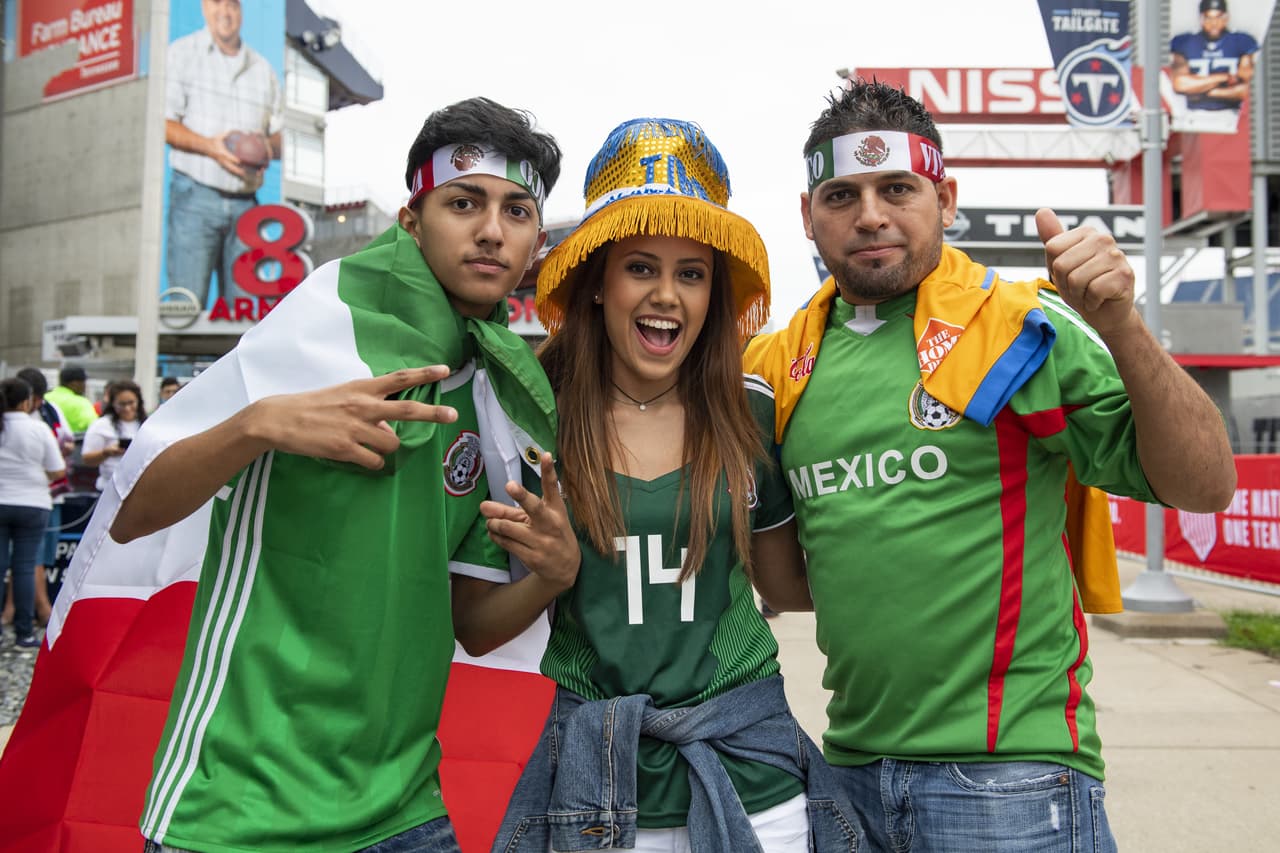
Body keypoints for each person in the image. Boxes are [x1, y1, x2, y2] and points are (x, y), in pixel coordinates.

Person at [742, 80, 1237, 852]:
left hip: (1011, 780)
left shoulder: (1017, 325)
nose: (870, 214)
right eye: (842, 194)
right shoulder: (776, 365)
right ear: (808, 215)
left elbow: (1205, 484)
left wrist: (1121, 324)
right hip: (849, 777)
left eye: (896, 188)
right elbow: (795, 581)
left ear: (945, 197)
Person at [104, 96, 561, 853]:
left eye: (516, 211)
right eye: (463, 202)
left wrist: (551, 572)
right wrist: (259, 424)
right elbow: (134, 508)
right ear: (412, 220)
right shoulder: (319, 324)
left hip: (408, 808)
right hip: (242, 811)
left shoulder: (499, 390)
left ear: (536, 241)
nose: (490, 230)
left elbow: (472, 625)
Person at [451, 118, 862, 852]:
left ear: (713, 296)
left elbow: (790, 586)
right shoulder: (525, 416)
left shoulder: (753, 409)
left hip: (755, 785)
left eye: (691, 273)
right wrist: (553, 576)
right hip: (593, 792)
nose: (666, 294)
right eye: (641, 267)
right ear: (598, 284)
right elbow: (477, 628)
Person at [165, 0, 284, 310]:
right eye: (217, 3)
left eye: (232, 4)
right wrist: (211, 147)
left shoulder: (262, 69)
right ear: (205, 7)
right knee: (184, 310)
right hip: (195, 197)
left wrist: (264, 148)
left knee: (245, 317)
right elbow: (163, 124)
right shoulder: (182, 54)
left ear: (241, 10)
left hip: (247, 206)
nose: (226, 12)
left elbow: (283, 136)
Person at [0, 378, 66, 649]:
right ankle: (25, 633)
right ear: (27, 401)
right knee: (25, 568)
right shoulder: (38, 429)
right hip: (33, 504)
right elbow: (58, 470)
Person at [1170, 0, 1258, 113]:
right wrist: (1224, 77)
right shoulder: (1185, 42)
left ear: (1226, 18)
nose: (1214, 23)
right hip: (1194, 113)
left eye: (1218, 17)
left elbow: (1244, 90)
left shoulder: (1242, 41)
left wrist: (1198, 91)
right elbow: (1179, 84)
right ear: (1201, 19)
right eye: (1208, 18)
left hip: (1231, 113)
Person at [81, 381, 148, 493]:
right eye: (121, 404)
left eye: (131, 403)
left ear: (139, 401)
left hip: (140, 489)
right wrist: (106, 453)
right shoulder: (102, 425)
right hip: (108, 488)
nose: (127, 408)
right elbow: (87, 459)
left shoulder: (147, 424)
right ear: (112, 404)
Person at [44, 365, 98, 434]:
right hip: (74, 443)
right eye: (83, 382)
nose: (85, 386)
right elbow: (95, 427)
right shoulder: (81, 403)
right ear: (74, 384)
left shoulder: (45, 398)